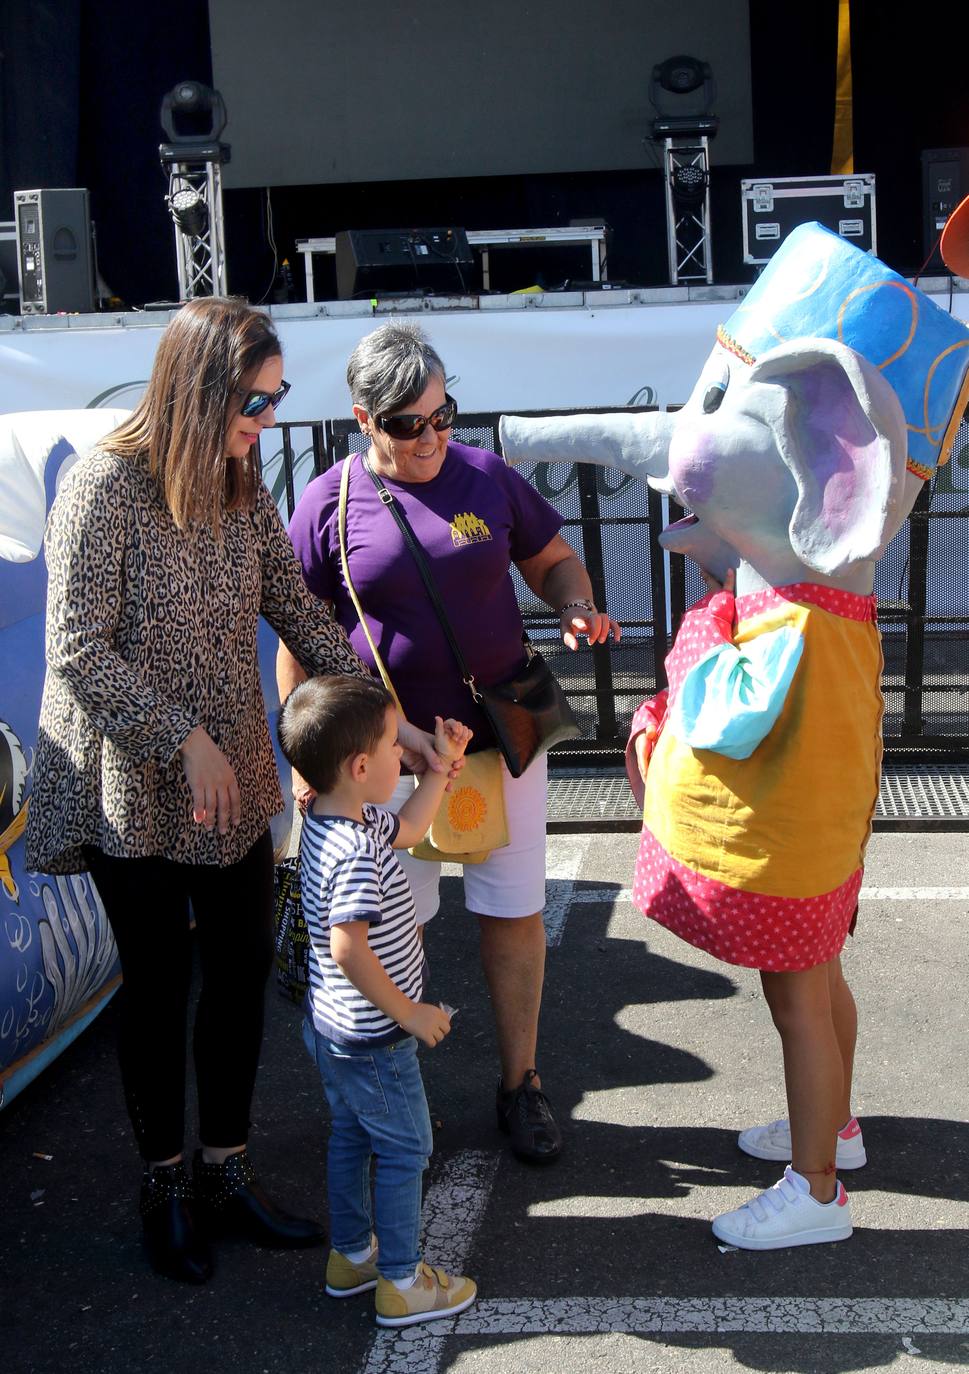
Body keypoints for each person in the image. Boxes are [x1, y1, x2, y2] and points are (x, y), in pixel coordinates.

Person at [25, 298, 446, 1285]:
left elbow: (304, 617)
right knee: (160, 987)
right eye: (255, 401)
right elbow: (76, 647)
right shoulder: (104, 486)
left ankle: (226, 1171)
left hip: (231, 779)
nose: (266, 419)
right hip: (133, 781)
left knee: (242, 972)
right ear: (199, 387)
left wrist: (391, 726)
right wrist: (183, 742)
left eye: (275, 398)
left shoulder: (242, 485)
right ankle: (165, 1186)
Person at [277, 320, 620, 1164]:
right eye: (407, 423)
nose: (431, 437)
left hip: (500, 735)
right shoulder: (328, 502)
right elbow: (296, 636)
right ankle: (401, 1102)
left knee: (513, 913)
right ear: (364, 418)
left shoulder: (486, 475)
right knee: (400, 926)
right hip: (383, 755)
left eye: (442, 415)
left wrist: (573, 603)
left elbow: (551, 560)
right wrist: (307, 763)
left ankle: (522, 1084)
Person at [278, 674, 478, 1327]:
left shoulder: (338, 820)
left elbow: (413, 823)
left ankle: (352, 1256)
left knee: (352, 1136)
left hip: (332, 1025)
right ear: (361, 766)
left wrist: (441, 768)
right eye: (396, 747)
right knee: (405, 1148)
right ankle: (400, 1281)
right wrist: (408, 1013)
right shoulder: (358, 851)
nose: (404, 755)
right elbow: (347, 947)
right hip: (372, 1038)